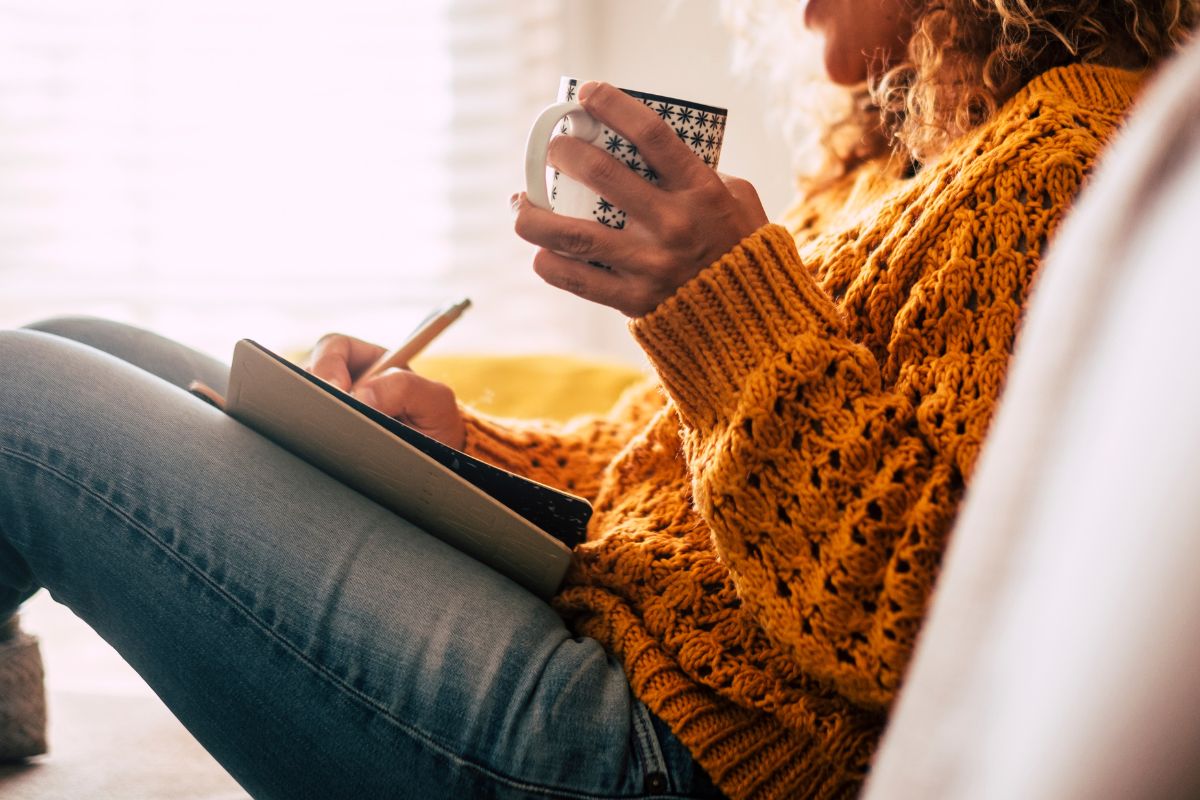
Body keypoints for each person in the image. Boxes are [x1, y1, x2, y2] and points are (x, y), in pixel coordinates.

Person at [0, 1, 1192, 798]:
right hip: (631, 640)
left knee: (16, 395)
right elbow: (671, 468)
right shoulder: (912, 157)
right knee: (71, 340)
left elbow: (936, 633)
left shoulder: (1070, 163)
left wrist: (729, 303)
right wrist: (467, 450)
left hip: (668, 750)